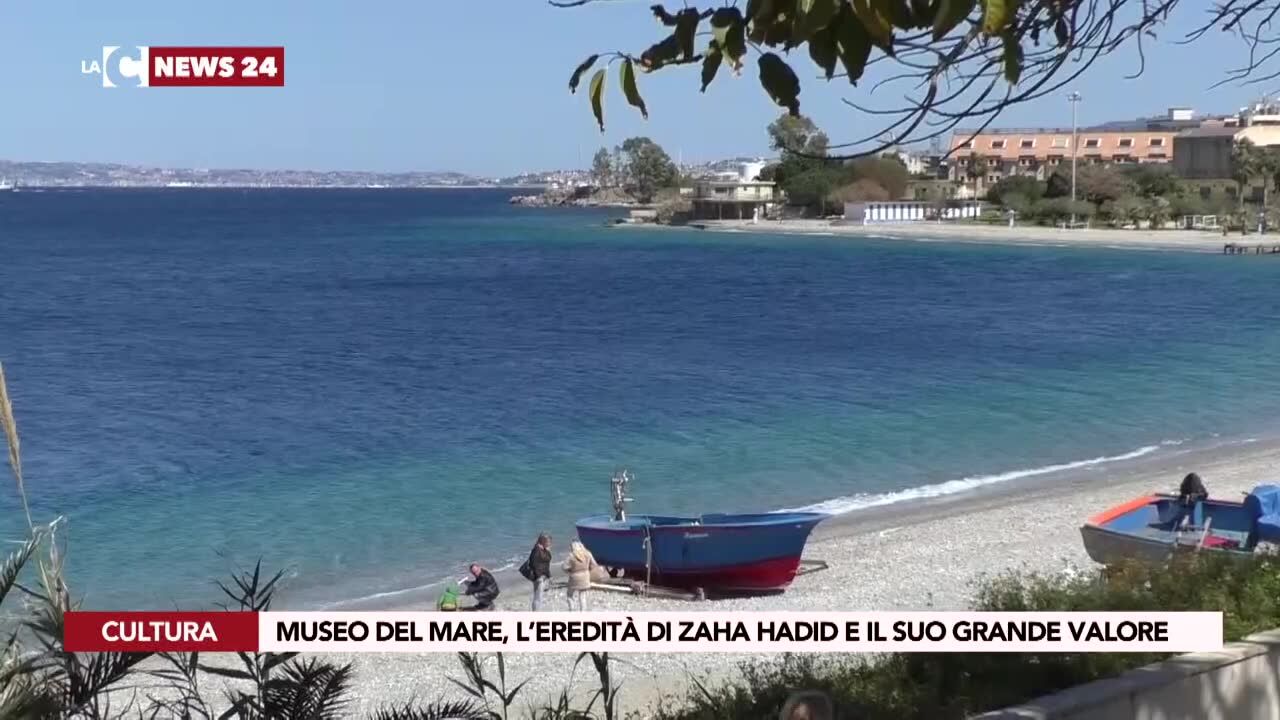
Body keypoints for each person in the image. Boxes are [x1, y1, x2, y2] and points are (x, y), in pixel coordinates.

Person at [563, 539, 599, 611]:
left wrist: (569, 571)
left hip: (574, 577)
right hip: (585, 576)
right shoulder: (588, 553)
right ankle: (583, 612)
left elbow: (564, 567)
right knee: (582, 596)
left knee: (569, 594)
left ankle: (572, 609)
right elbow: (594, 564)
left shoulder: (572, 555)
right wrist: (588, 569)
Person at [524, 533, 553, 611]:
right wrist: (539, 576)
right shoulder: (537, 550)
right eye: (548, 542)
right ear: (543, 541)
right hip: (539, 577)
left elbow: (546, 563)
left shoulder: (544, 550)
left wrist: (548, 575)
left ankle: (537, 611)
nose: (550, 543)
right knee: (538, 596)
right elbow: (534, 564)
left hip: (542, 576)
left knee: (540, 596)